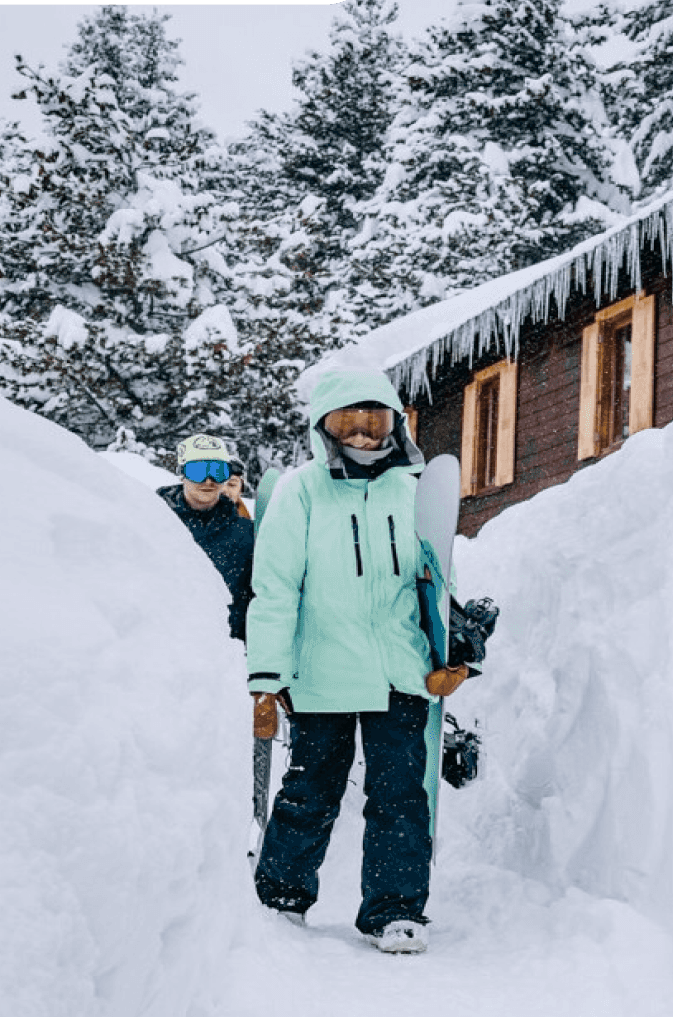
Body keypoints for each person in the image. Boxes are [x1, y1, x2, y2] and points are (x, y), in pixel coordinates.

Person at [246, 369, 470, 954]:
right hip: (321, 672)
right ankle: (281, 898)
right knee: (311, 789)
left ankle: (394, 911)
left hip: (400, 671)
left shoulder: (414, 488)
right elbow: (274, 589)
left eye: (377, 422)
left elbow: (435, 583)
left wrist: (449, 651)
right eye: (351, 424)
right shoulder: (301, 491)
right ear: (326, 429)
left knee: (400, 795)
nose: (367, 437)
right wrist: (267, 678)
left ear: (396, 425)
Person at [162, 434, 253, 644]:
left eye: (218, 471)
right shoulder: (153, 520)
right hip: (165, 648)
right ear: (181, 473)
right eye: (198, 471)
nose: (208, 481)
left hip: (225, 654)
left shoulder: (247, 533)